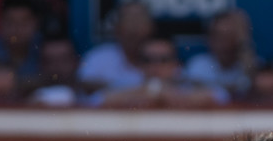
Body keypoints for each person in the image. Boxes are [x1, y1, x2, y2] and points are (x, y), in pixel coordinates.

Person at [95, 34, 229, 108]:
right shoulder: (129, 82)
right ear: (140, 65)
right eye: (148, 60)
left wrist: (173, 95)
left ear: (176, 65)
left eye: (163, 60)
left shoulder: (185, 83)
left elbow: (221, 95)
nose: (156, 66)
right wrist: (151, 91)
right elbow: (97, 99)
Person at [76, 0, 154, 93]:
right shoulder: (98, 57)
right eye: (128, 19)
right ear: (117, 27)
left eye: (139, 19)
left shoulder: (162, 56)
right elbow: (84, 84)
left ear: (151, 27)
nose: (134, 26)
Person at [184, 7, 258, 97]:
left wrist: (244, 44)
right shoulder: (198, 64)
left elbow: (253, 87)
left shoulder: (250, 64)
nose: (221, 42)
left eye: (228, 35)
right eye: (217, 35)